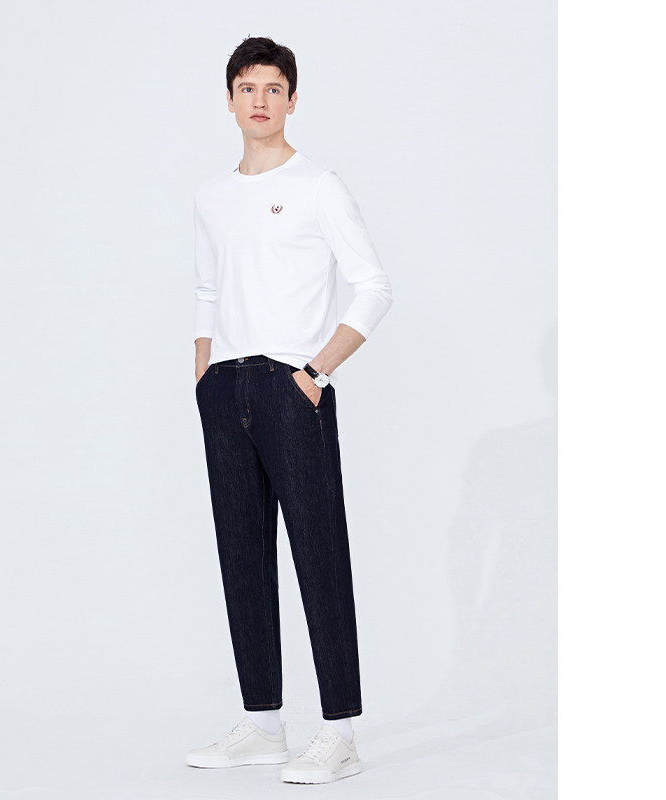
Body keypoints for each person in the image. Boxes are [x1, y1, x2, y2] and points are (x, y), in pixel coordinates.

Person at [186, 35, 393, 785]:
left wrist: (316, 372)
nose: (260, 100)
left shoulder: (317, 186)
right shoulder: (211, 196)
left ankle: (339, 731)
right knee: (241, 557)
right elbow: (208, 289)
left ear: (292, 100)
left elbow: (374, 286)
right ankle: (263, 724)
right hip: (226, 390)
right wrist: (205, 371)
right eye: (248, 87)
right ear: (230, 99)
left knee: (319, 555)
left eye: (274, 88)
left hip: (291, 387)